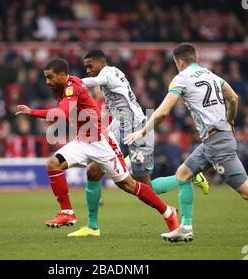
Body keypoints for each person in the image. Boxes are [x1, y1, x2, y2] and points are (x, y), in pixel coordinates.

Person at [126, 43, 248, 242]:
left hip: (216, 143)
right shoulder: (211, 75)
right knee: (183, 175)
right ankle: (185, 226)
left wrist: (142, 130)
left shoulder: (181, 78)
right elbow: (234, 98)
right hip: (215, 139)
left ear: (180, 62)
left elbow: (163, 111)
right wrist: (230, 119)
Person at [15, 58, 179, 236]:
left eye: (50, 77)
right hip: (82, 141)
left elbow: (61, 113)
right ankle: (67, 213)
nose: (47, 82)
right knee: (53, 164)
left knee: (128, 184)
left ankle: (168, 213)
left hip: (101, 142)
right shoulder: (60, 88)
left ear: (62, 75)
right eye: (46, 77)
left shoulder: (72, 86)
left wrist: (31, 112)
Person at [66, 50, 209, 237]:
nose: (88, 70)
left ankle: (188, 176)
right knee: (93, 170)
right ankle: (93, 227)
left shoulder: (109, 73)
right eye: (86, 67)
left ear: (101, 63)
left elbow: (94, 82)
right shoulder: (109, 77)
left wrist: (69, 82)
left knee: (145, 188)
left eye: (90, 66)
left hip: (138, 128)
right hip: (119, 126)